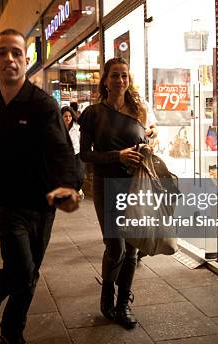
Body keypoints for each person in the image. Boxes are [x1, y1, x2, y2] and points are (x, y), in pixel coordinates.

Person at [0, 29, 81, 344]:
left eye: (16, 53)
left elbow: (62, 151)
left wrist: (68, 186)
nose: (9, 58)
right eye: (2, 53)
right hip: (8, 203)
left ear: (25, 60)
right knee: (21, 271)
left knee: (31, 273)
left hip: (43, 203)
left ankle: (12, 331)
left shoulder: (43, 105)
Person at [78, 57, 157, 330]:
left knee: (133, 248)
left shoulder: (139, 110)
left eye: (124, 75)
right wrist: (117, 156)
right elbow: (85, 155)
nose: (120, 80)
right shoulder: (92, 113)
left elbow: (144, 142)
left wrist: (148, 146)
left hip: (134, 185)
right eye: (114, 75)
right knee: (115, 247)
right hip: (106, 185)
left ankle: (123, 303)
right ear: (105, 80)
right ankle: (107, 291)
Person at [61, 105, 85, 193]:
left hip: (77, 155)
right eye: (65, 116)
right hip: (64, 156)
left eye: (70, 116)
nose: (68, 118)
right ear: (61, 117)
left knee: (79, 175)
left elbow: (82, 140)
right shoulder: (58, 128)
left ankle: (78, 189)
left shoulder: (77, 128)